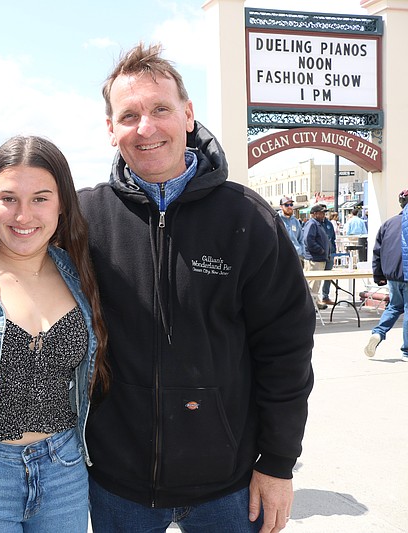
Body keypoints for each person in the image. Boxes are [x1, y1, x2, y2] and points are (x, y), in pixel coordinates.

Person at [77, 41, 314, 533]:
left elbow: (286, 349)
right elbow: (11, 233)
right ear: (109, 129)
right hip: (117, 486)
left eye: (161, 109)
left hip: (228, 487)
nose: (146, 128)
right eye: (129, 115)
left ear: (187, 114)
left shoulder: (247, 218)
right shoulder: (85, 219)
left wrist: (278, 463)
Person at [0, 136, 108, 532]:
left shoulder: (79, 272)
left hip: (64, 468)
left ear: (62, 204)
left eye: (40, 199)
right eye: (9, 198)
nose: (23, 215)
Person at [364, 190, 408, 362]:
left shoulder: (388, 224)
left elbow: (377, 252)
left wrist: (378, 275)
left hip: (392, 276)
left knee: (394, 307)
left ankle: (378, 333)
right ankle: (406, 350)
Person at [304, 204, 331, 310]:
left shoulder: (318, 224)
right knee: (313, 283)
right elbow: (308, 240)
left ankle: (315, 302)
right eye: (321, 213)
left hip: (319, 258)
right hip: (314, 259)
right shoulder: (312, 224)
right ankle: (311, 305)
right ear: (314, 214)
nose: (323, 215)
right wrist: (320, 250)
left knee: (317, 283)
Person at [277, 196, 303, 265]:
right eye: (286, 205)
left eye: (291, 205)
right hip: (282, 258)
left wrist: (301, 251)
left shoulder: (296, 221)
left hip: (297, 256)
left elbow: (301, 239)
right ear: (281, 207)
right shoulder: (277, 220)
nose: (289, 207)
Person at [319, 206, 337, 305]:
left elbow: (332, 238)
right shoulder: (315, 224)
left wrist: (333, 251)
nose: (323, 214)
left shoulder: (329, 224)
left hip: (330, 254)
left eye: (325, 212)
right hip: (319, 255)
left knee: (328, 277)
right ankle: (314, 299)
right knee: (315, 279)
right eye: (322, 212)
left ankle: (325, 296)